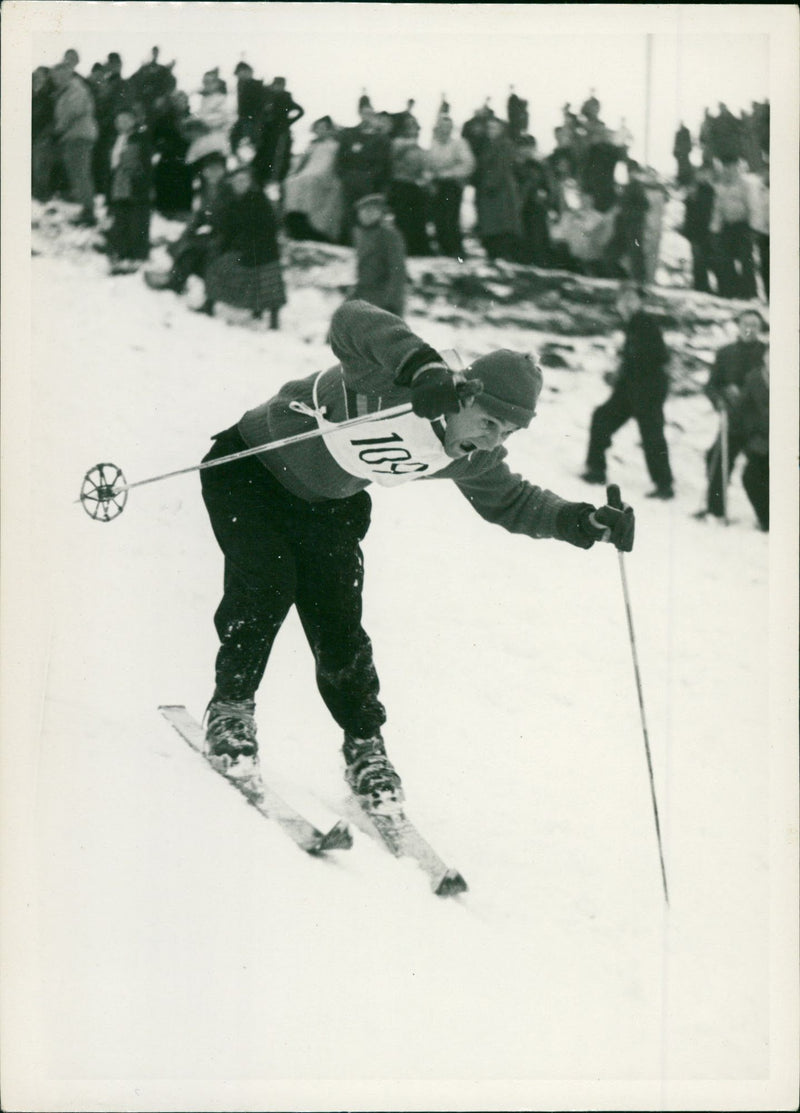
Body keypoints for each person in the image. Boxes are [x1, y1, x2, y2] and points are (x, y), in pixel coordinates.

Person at [197, 298, 636, 797]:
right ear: (466, 397)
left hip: (326, 504)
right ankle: (231, 709)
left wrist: (581, 522)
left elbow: (511, 500)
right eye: (488, 423)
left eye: (506, 433)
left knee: (339, 622)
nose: (491, 442)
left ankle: (365, 746)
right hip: (248, 474)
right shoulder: (397, 383)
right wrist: (422, 368)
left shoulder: (470, 457)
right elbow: (352, 320)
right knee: (267, 586)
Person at [582, 283, 674, 499]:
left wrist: (623, 371)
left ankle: (664, 485)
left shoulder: (645, 323)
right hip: (629, 389)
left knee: (652, 435)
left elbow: (657, 357)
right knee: (602, 417)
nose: (627, 304)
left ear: (640, 302)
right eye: (623, 299)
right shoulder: (632, 324)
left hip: (648, 389)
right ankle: (596, 470)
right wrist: (619, 373)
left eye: (632, 299)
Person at [694, 309, 767, 521]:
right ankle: (715, 510)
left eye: (754, 325)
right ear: (738, 325)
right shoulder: (725, 353)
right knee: (715, 459)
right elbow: (711, 385)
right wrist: (718, 400)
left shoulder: (767, 353)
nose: (749, 329)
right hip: (733, 421)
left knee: (758, 472)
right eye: (745, 323)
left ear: (760, 328)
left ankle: (768, 516)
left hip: (759, 425)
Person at [198, 161, 286, 327]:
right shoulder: (233, 201)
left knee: (221, 267)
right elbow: (228, 228)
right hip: (244, 248)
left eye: (244, 180)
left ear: (250, 183)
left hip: (262, 250)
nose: (240, 184)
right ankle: (209, 305)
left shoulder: (259, 202)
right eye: (237, 181)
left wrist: (243, 248)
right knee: (216, 265)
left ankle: (273, 320)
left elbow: (267, 230)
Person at [144, 151, 229, 294]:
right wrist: (189, 231)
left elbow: (228, 221)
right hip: (215, 234)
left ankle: (176, 281)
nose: (212, 173)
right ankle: (175, 278)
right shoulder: (206, 190)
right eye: (209, 169)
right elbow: (201, 216)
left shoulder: (227, 191)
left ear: (224, 171)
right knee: (185, 243)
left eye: (217, 169)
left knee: (192, 248)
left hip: (226, 236)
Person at [50, 60, 98, 226]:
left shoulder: (75, 89)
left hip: (79, 136)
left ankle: (89, 212)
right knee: (77, 174)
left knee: (80, 173)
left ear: (68, 74)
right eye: (55, 76)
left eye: (60, 75)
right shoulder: (65, 91)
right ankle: (86, 209)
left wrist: (58, 129)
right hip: (72, 136)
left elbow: (73, 112)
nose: (57, 79)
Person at [283, 115, 344, 243]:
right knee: (291, 182)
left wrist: (314, 173)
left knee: (308, 181)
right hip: (308, 173)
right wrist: (295, 173)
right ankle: (294, 220)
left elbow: (328, 164)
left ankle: (314, 227)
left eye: (323, 128)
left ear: (329, 129)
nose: (320, 131)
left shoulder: (334, 145)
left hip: (325, 176)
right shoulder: (312, 146)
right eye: (318, 128)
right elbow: (302, 164)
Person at [105, 107, 152, 274]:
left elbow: (145, 163)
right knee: (121, 217)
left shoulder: (140, 138)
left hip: (135, 183)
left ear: (134, 121)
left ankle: (138, 255)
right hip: (118, 182)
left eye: (126, 119)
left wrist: (141, 180)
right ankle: (121, 252)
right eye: (119, 120)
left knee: (137, 218)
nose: (122, 123)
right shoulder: (114, 139)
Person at [425, 112, 475, 258]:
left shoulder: (459, 144)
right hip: (436, 185)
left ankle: (455, 250)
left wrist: (449, 173)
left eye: (447, 126)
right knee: (438, 217)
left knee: (450, 217)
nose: (444, 129)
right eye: (441, 126)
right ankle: (443, 248)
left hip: (452, 185)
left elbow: (468, 164)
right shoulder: (433, 145)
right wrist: (430, 176)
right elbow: (428, 164)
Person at [349, 193, 407, 317]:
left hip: (382, 296)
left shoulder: (390, 235)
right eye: (363, 211)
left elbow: (397, 270)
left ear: (380, 213)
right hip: (362, 293)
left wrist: (392, 302)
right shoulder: (359, 233)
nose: (367, 215)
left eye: (372, 211)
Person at [736, 346, 769, 530]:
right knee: (751, 477)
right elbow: (743, 410)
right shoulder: (754, 379)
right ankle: (767, 519)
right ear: (765, 358)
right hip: (761, 441)